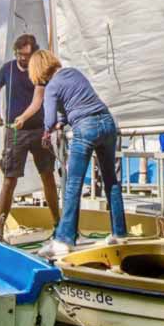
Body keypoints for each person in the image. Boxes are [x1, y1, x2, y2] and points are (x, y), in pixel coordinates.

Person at [20, 49, 125, 258]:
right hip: (107, 122)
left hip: (86, 128)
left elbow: (48, 121)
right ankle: (120, 234)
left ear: (37, 71)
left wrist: (49, 129)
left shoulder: (51, 87)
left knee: (73, 184)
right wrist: (62, 121)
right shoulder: (74, 73)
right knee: (111, 181)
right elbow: (75, 103)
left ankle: (64, 240)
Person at [0, 34, 61, 237]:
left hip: (39, 130)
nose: (23, 59)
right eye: (20, 55)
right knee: (9, 179)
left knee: (47, 175)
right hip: (15, 132)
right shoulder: (7, 69)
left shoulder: (37, 70)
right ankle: (0, 230)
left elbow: (37, 101)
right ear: (16, 52)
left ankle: (58, 223)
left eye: (27, 55)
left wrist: (24, 117)